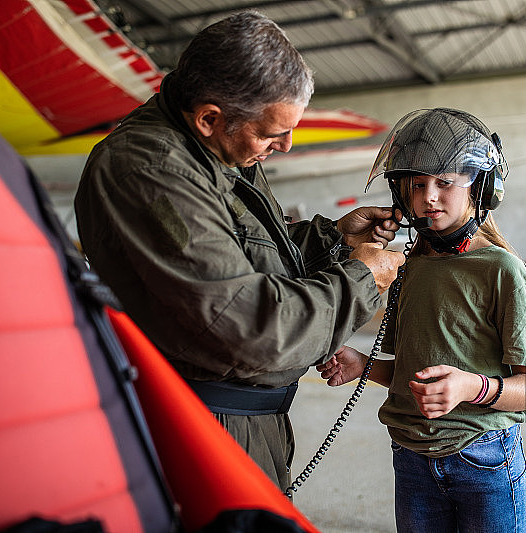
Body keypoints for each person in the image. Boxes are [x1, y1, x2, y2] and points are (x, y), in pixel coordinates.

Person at [74, 10, 405, 490]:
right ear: (210, 117)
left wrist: (334, 238)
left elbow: (250, 254)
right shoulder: (152, 169)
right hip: (207, 421)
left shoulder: (222, 145)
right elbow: (249, 326)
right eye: (273, 134)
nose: (286, 146)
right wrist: (360, 281)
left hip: (247, 417)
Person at [318, 108, 526, 532]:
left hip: (483, 460)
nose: (428, 197)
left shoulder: (501, 270)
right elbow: (414, 375)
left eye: (445, 183)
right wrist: (362, 366)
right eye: (418, 184)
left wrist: (470, 386)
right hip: (411, 462)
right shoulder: (408, 266)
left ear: (478, 188)